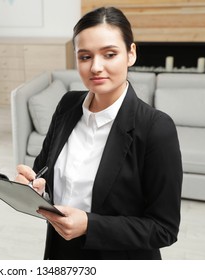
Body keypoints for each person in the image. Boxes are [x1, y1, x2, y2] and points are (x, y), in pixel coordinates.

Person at [15, 6, 183, 260]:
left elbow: (164, 229)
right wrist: (33, 187)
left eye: (109, 54)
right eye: (85, 57)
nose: (96, 67)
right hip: (60, 254)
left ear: (131, 54)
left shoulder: (156, 128)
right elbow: (43, 171)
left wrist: (89, 225)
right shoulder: (68, 105)